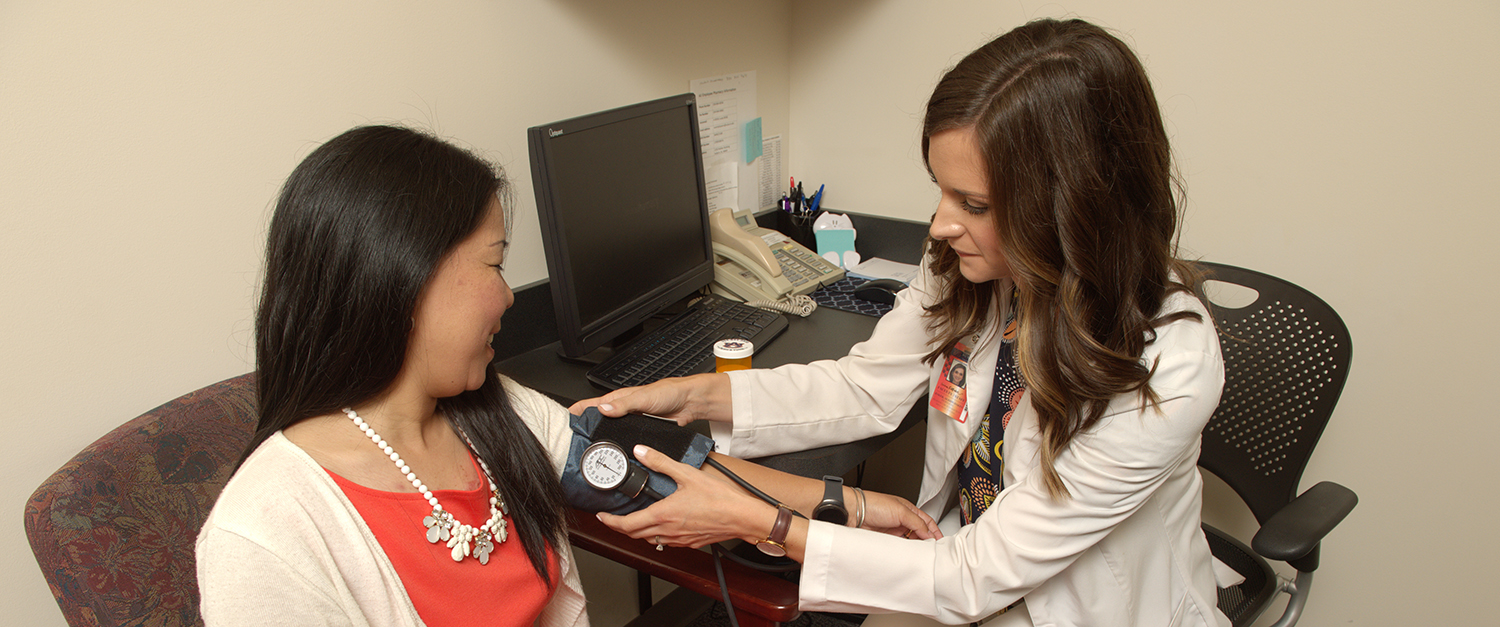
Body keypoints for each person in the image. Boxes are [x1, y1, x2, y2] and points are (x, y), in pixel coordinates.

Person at [574, 18, 1228, 627]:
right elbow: (865, 388)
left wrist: (764, 523)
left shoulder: (1166, 360)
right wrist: (696, 394)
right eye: (941, 191)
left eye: (973, 203)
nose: (941, 224)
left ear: (1072, 208)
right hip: (953, 560)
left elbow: (980, 572)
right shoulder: (970, 270)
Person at [197, 126, 589, 627]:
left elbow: (622, 464)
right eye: (495, 263)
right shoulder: (263, 535)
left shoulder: (499, 409)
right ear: (404, 275)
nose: (509, 296)